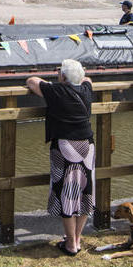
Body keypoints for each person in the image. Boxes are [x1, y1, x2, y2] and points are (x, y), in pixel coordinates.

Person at [26, 59, 95, 256]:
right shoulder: (86, 90)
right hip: (87, 145)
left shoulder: (55, 91)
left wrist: (57, 81)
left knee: (67, 194)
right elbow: (88, 79)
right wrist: (76, 77)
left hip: (66, 146)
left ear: (63, 77)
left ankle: (71, 244)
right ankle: (77, 238)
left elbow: (32, 80)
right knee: (84, 192)